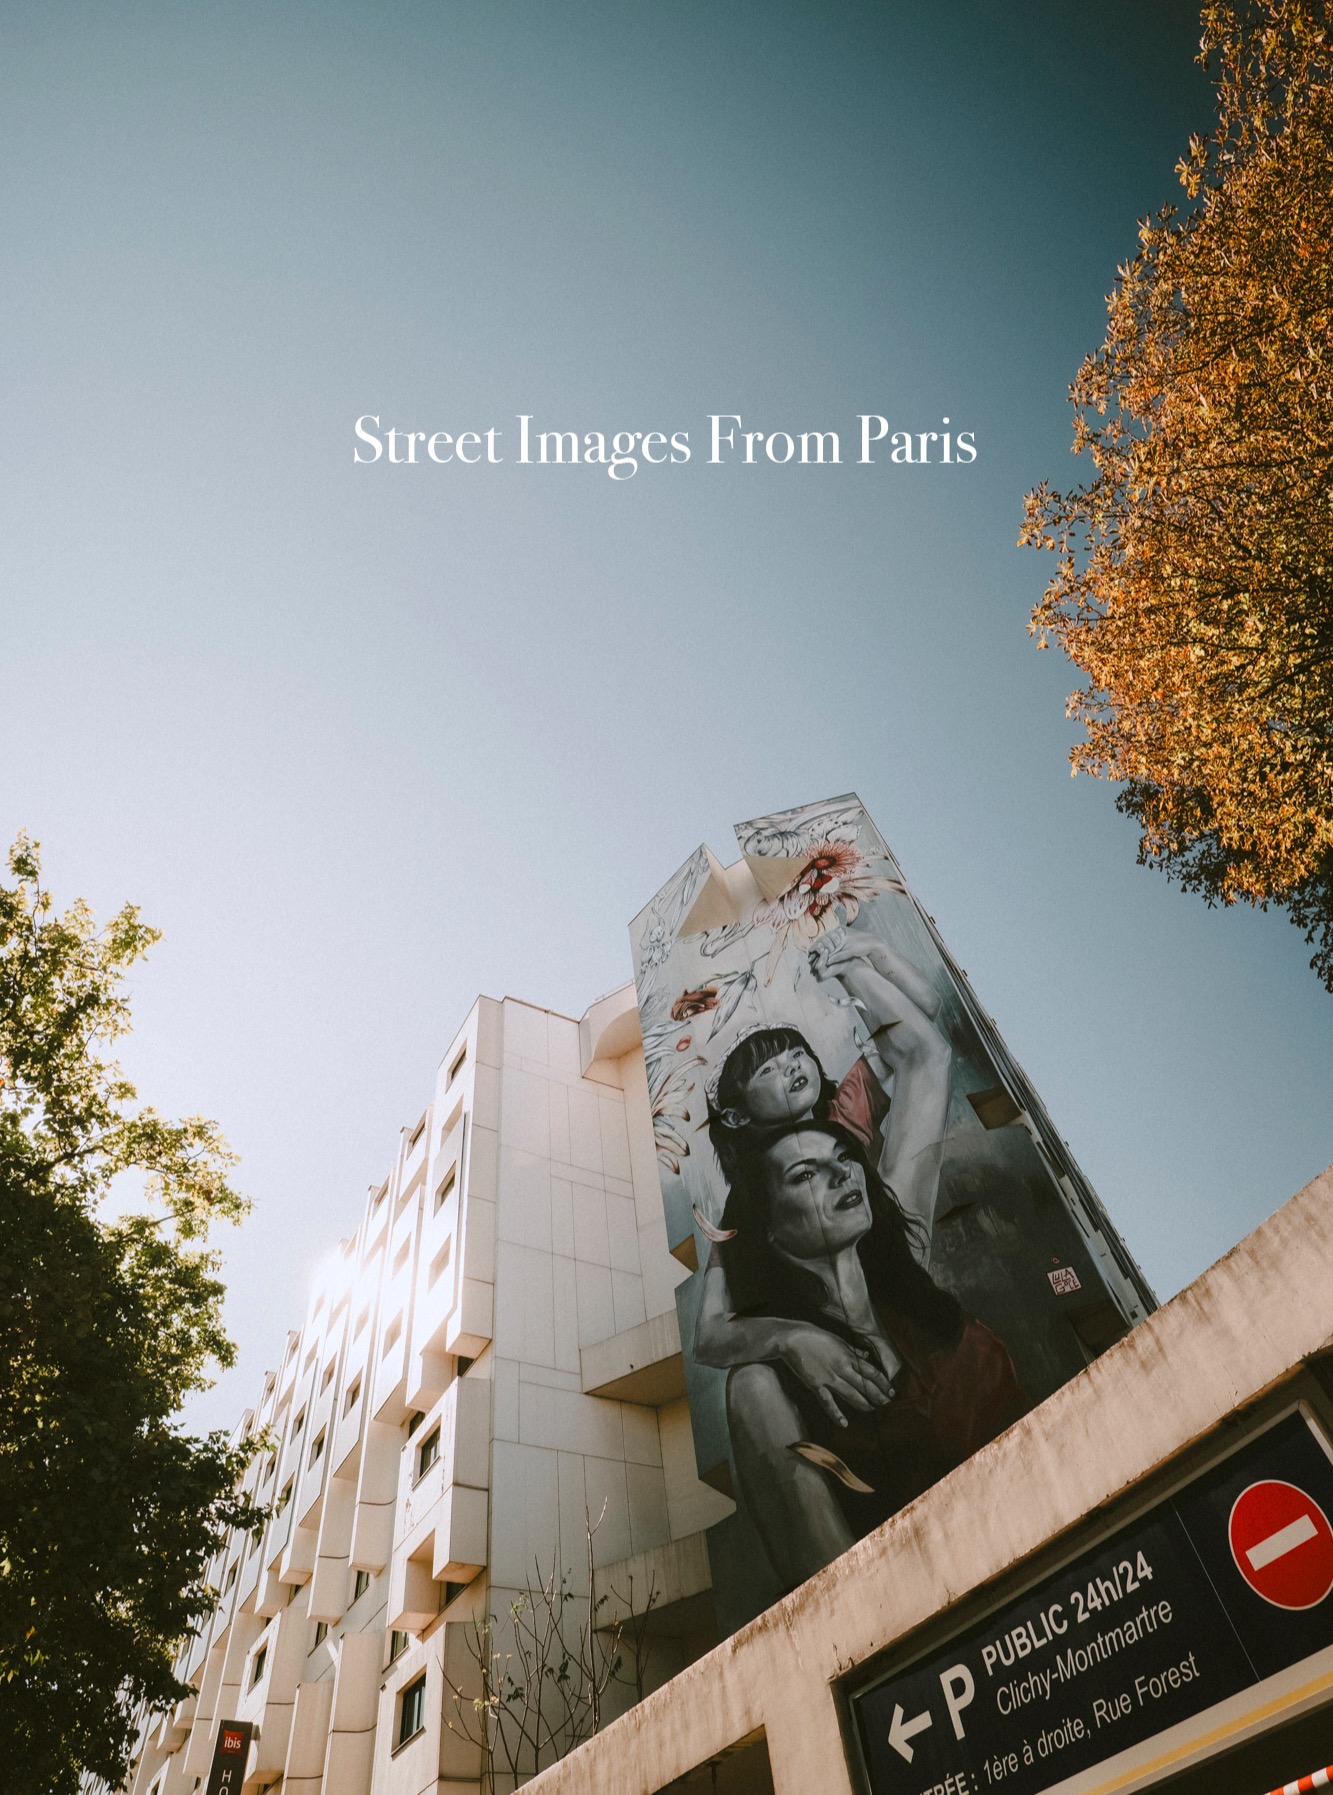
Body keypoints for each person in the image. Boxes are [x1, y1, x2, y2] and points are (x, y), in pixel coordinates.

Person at [696, 1119, 1027, 1589]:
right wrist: (789, 1336)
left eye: (845, 1157)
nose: (841, 1174)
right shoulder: (760, 1388)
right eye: (805, 1174)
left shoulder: (929, 1317)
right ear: (766, 1227)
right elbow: (837, 1588)